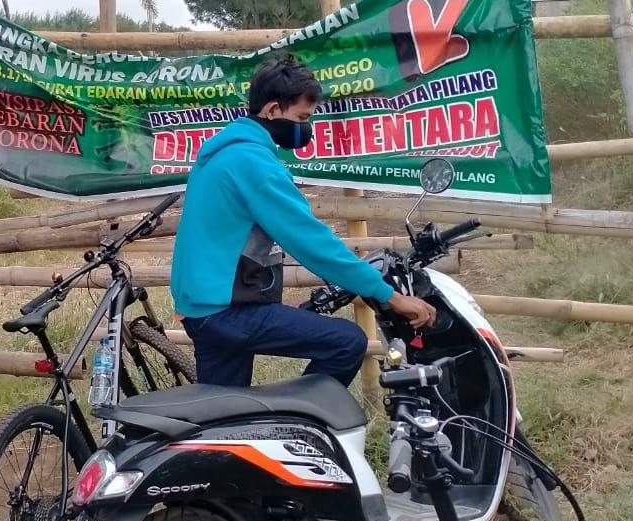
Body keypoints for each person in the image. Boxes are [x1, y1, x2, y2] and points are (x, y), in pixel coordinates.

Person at [170, 56, 436, 388]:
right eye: (301, 118)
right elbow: (312, 242)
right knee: (346, 341)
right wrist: (390, 296)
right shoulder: (253, 163)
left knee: (223, 415)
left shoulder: (223, 153)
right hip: (225, 313)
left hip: (203, 308)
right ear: (272, 111)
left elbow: (227, 241)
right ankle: (298, 426)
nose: (304, 129)